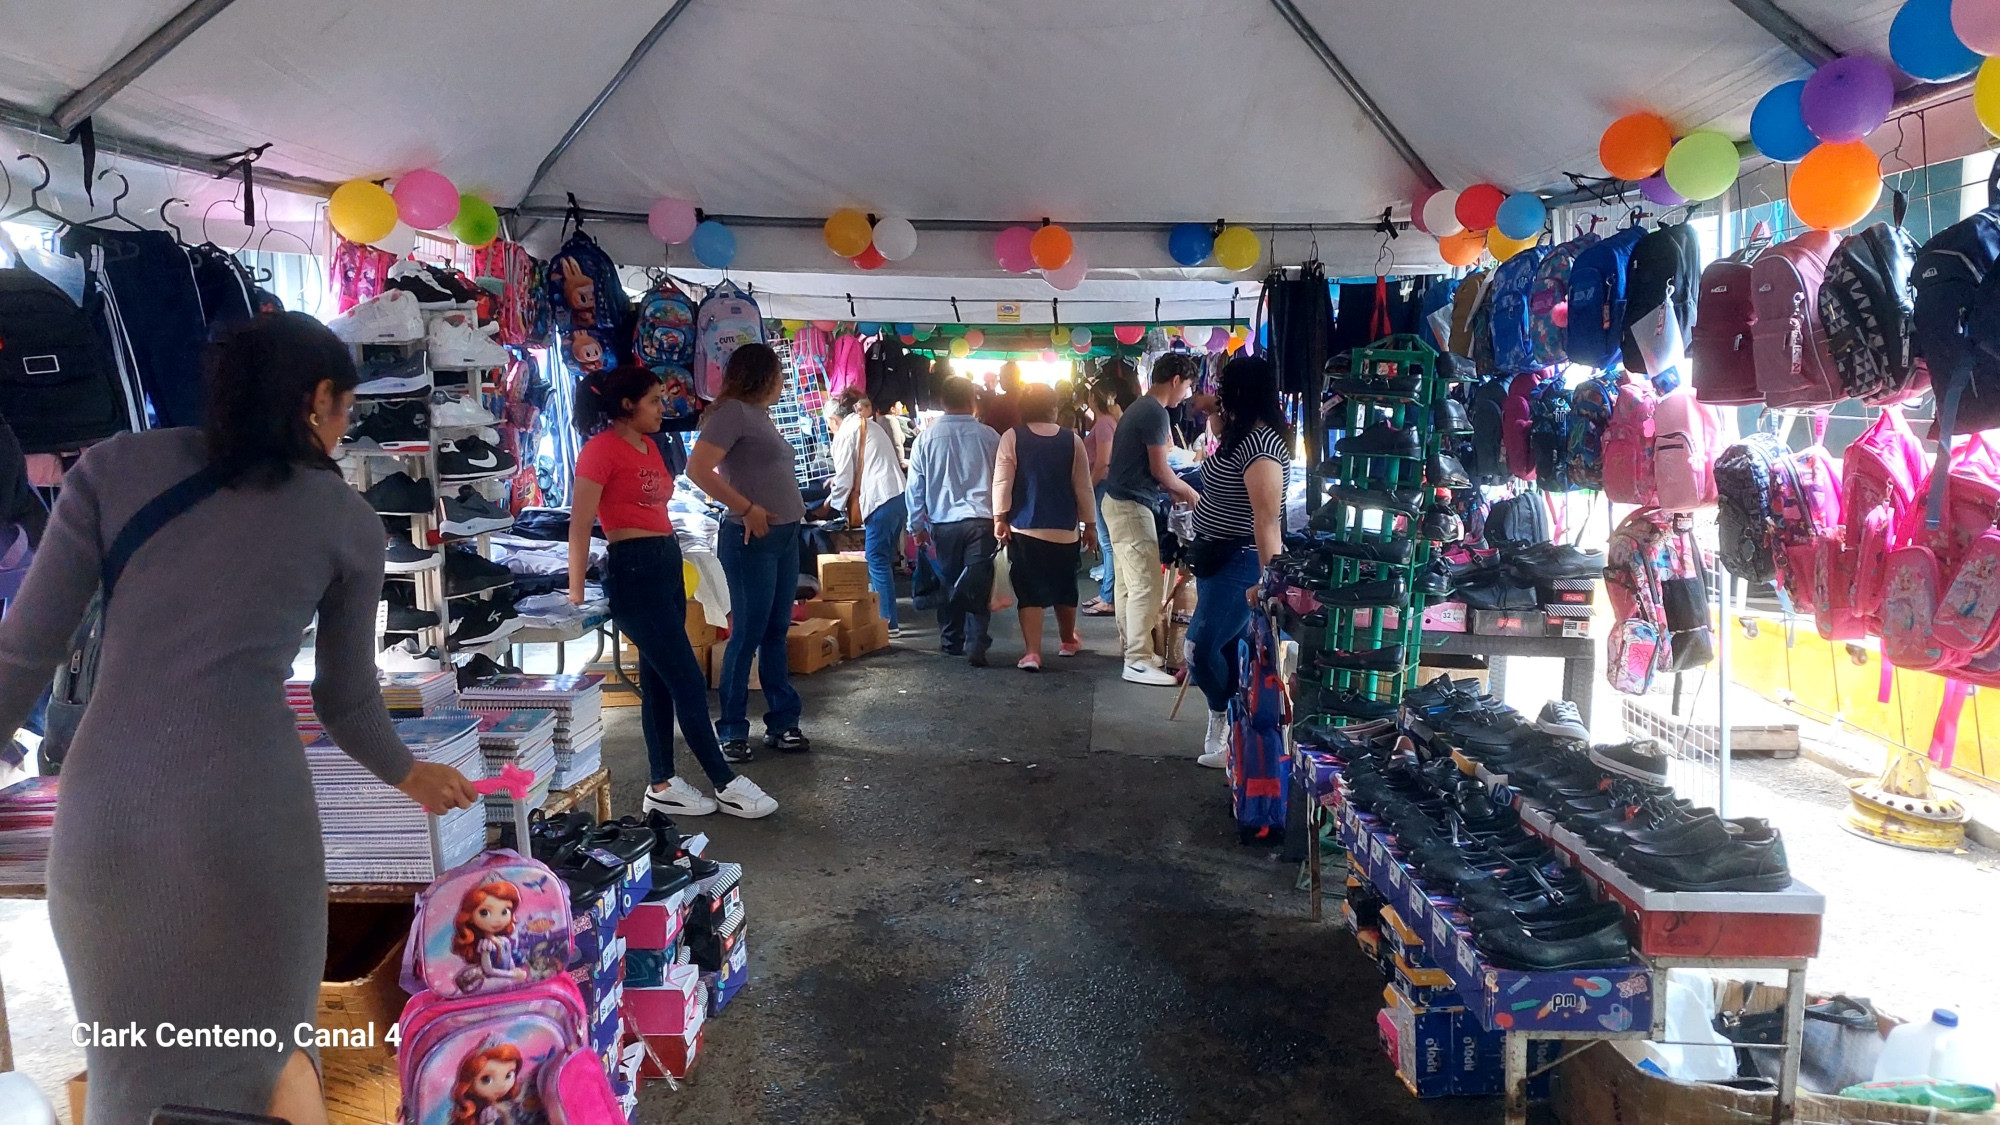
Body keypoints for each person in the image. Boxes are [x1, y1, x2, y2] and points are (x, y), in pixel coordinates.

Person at [0, 312, 479, 1125]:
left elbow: (22, 653)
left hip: (105, 820)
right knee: (270, 1062)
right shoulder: (345, 520)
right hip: (249, 827)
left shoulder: (114, 467)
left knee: (129, 1076)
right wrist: (411, 774)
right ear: (318, 399)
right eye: (345, 411)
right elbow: (345, 699)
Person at [570, 364, 777, 818]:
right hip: (634, 570)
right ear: (627, 405)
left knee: (661, 680)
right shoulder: (598, 451)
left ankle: (662, 782)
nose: (663, 408)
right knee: (686, 679)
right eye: (654, 401)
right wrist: (575, 589)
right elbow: (580, 522)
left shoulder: (650, 445)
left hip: (666, 561)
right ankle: (724, 780)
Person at [686, 343, 813, 760]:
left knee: (775, 630)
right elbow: (697, 469)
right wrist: (746, 508)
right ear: (764, 375)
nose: (783, 381)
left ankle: (783, 721)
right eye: (779, 373)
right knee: (747, 634)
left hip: (783, 535)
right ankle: (732, 729)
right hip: (750, 538)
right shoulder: (733, 414)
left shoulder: (758, 415)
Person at [1185, 356, 1293, 767]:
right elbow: (1214, 416)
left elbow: (1267, 522)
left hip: (1240, 562)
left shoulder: (1261, 447)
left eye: (1223, 388)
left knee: (1199, 649)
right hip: (1218, 560)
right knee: (1226, 649)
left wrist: (1269, 583)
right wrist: (1211, 406)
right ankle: (1232, 734)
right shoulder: (1243, 433)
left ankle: (1224, 721)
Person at [1101, 352, 1200, 685]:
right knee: (1146, 584)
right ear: (1176, 380)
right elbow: (1160, 470)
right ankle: (1138, 659)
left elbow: (1152, 469)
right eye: (1188, 386)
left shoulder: (1141, 408)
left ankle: (1133, 650)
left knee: (1129, 585)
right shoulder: (1155, 412)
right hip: (1131, 506)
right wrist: (1189, 492)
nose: (1187, 394)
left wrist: (1174, 488)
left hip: (1119, 502)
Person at [991, 383, 1096, 671]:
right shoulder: (1072, 440)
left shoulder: (1012, 437)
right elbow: (1083, 486)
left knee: (1030, 592)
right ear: (1054, 408)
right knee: (1065, 586)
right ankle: (1068, 641)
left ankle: (1032, 653)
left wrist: (999, 518)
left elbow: (1002, 481)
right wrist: (1090, 524)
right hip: (1065, 529)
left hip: (1025, 528)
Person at [905, 375, 1002, 665]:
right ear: (973, 400)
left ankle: (951, 641)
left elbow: (915, 487)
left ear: (942, 402)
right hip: (982, 522)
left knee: (948, 581)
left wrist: (916, 526)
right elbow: (1003, 481)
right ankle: (977, 643)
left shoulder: (925, 439)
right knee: (978, 582)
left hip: (943, 523)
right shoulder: (990, 437)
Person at [822, 388, 909, 636]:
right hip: (897, 496)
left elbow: (844, 479)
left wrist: (826, 508)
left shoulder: (845, 433)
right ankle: (887, 618)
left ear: (834, 420)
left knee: (876, 559)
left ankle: (887, 622)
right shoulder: (868, 426)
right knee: (883, 559)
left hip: (881, 499)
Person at [1081, 366, 1134, 618]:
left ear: (1094, 398)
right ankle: (1107, 593)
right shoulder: (1109, 422)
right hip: (1107, 485)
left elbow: (1102, 462)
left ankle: (1108, 596)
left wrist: (1087, 488)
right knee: (1109, 543)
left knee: (1108, 543)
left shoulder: (1103, 424)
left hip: (1102, 485)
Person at [981, 360, 1023, 433]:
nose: (999, 381)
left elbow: (988, 428)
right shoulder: (1028, 399)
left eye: (1001, 377)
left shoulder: (1000, 402)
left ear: (1009, 378)